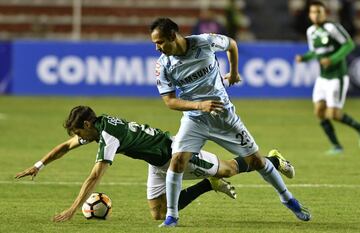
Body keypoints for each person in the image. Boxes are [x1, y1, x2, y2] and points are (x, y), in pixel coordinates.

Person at [150, 17, 311, 227]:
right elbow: (170, 101)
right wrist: (199, 106)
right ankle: (172, 216)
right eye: (155, 43)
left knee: (256, 162)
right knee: (178, 160)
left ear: (173, 35)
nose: (157, 48)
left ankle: (288, 199)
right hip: (194, 120)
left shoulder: (205, 42)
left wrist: (234, 73)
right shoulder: (163, 65)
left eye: (160, 42)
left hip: (224, 117)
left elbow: (232, 45)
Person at [14, 106, 294, 222]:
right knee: (158, 214)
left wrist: (73, 209)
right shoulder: (98, 129)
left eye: (78, 132)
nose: (78, 138)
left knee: (231, 167)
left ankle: (273, 159)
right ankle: (209, 185)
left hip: (175, 154)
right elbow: (66, 147)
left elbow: (94, 176)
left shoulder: (108, 136)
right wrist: (39, 164)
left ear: (86, 124)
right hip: (156, 162)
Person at [295, 0, 360, 155]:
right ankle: (336, 146)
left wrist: (333, 59)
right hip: (322, 78)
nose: (316, 15)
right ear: (309, 15)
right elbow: (315, 52)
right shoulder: (311, 31)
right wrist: (304, 58)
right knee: (319, 112)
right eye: (313, 12)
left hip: (337, 77)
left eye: (319, 12)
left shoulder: (332, 28)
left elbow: (349, 44)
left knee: (334, 115)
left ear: (325, 13)